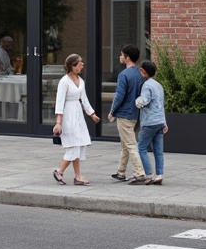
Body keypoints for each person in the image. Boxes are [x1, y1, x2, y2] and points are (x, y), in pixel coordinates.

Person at [51, 52, 100, 185]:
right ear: (72, 66)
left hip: (78, 114)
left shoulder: (81, 81)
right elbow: (59, 102)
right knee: (73, 145)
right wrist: (58, 122)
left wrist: (92, 114)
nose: (82, 65)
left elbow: (84, 100)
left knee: (78, 144)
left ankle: (77, 176)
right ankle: (59, 171)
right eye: (79, 63)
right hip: (68, 115)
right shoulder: (64, 81)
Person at [106, 44, 146, 183]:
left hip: (124, 114)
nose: (120, 57)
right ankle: (121, 172)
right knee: (126, 144)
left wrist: (112, 112)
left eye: (122, 55)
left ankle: (140, 174)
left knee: (130, 145)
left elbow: (119, 96)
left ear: (127, 58)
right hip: (135, 113)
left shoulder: (124, 75)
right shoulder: (139, 74)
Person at [135, 59, 168, 185]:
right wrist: (164, 122)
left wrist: (137, 101)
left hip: (149, 122)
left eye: (141, 70)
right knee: (158, 150)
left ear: (144, 72)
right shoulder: (158, 85)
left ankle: (149, 174)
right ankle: (159, 174)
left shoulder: (147, 85)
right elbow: (161, 104)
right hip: (160, 121)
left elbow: (144, 100)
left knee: (141, 148)